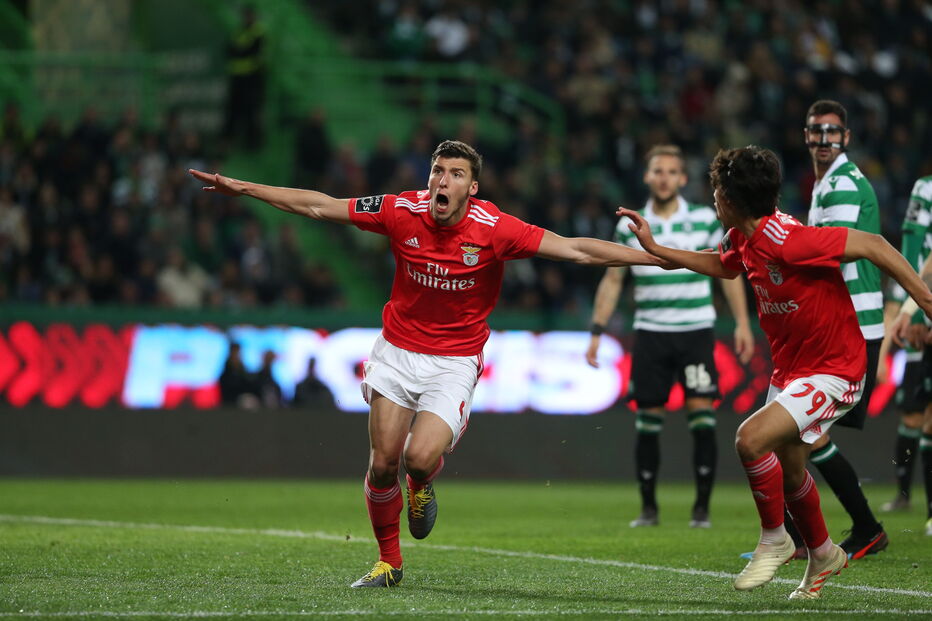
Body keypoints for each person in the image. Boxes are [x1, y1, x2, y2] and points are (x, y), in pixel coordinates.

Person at [189, 139, 669, 588]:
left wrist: (659, 258)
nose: (442, 181)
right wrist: (243, 187)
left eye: (456, 174)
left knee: (418, 458)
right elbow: (320, 204)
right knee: (382, 464)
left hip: (455, 361)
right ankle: (388, 562)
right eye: (437, 171)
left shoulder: (495, 228)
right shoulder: (402, 209)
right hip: (397, 351)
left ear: (472, 188)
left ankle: (421, 484)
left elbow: (577, 249)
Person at [620, 145, 932, 599]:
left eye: (715, 192)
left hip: (836, 369)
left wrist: (924, 301)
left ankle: (775, 538)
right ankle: (823, 551)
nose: (713, 199)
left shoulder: (789, 239)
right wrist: (653, 247)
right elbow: (720, 265)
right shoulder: (741, 238)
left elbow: (874, 244)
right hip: (792, 369)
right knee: (790, 468)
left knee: (750, 439)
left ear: (729, 199)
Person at [586, 145, 754, 529]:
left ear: (682, 178)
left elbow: (730, 271)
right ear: (648, 177)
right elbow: (613, 280)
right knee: (648, 418)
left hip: (695, 331)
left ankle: (701, 510)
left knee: (702, 417)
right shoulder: (631, 223)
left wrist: (743, 323)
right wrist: (597, 331)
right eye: (657, 170)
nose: (663, 177)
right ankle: (648, 509)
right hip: (651, 333)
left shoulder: (704, 219)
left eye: (671, 171)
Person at [802, 99, 887, 558]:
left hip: (853, 323)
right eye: (816, 131)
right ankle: (855, 528)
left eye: (832, 132)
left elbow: (830, 251)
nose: (823, 139)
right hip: (843, 320)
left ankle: (861, 527)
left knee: (801, 429)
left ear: (846, 138)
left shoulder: (843, 186)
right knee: (803, 431)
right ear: (806, 136)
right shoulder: (827, 184)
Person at [882, 174, 932, 512]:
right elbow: (917, 257)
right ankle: (905, 496)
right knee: (916, 416)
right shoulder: (925, 188)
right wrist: (914, 313)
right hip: (923, 320)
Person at [223, 4, 265, 149]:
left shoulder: (257, 31)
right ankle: (229, 140)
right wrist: (241, 51)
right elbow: (229, 50)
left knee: (250, 111)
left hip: (252, 78)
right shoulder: (239, 31)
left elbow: (249, 51)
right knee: (233, 110)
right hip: (237, 77)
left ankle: (251, 144)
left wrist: (240, 50)